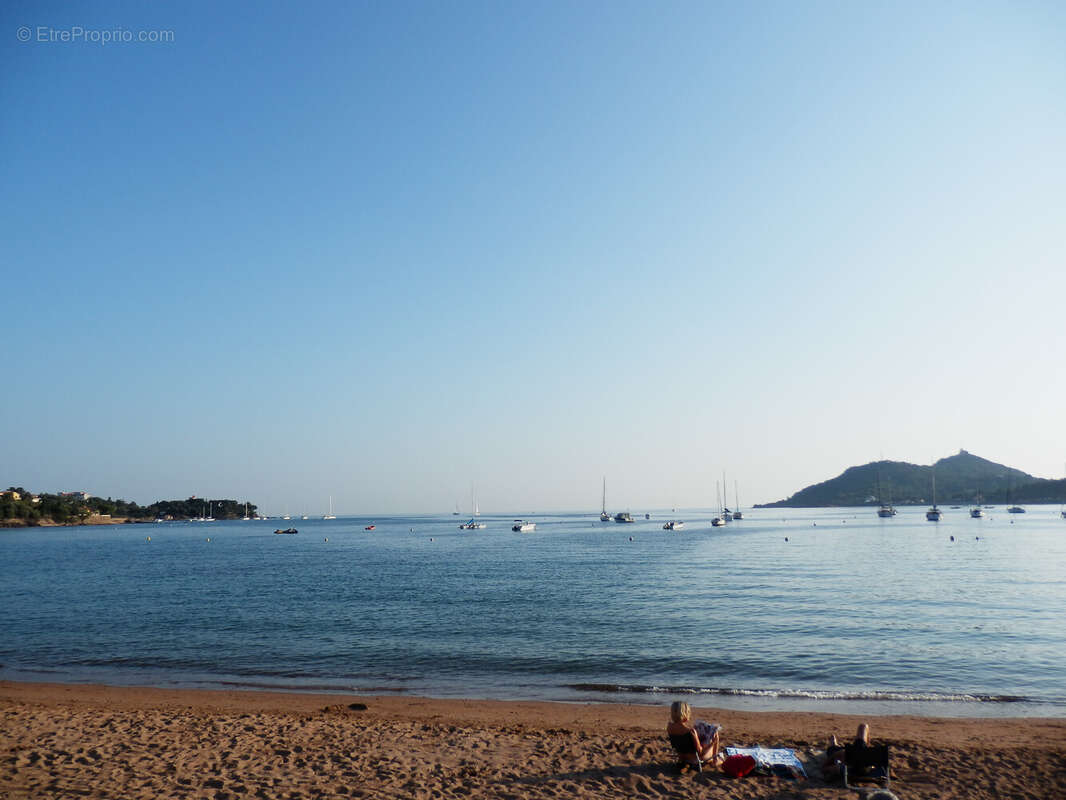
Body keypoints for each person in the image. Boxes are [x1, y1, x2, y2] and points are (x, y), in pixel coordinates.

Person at [666, 701, 722, 768]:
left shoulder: (669, 727)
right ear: (685, 714)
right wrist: (712, 743)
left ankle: (715, 759)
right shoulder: (691, 731)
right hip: (694, 759)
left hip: (682, 757)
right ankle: (715, 761)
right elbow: (700, 752)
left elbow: (683, 741)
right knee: (715, 734)